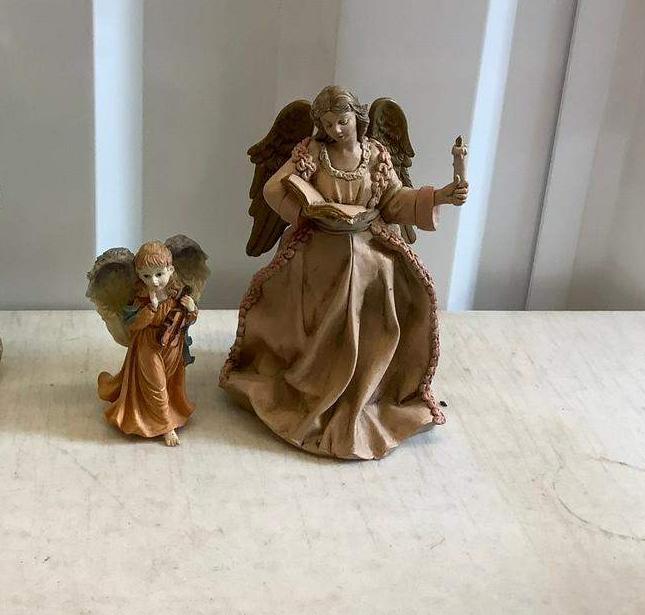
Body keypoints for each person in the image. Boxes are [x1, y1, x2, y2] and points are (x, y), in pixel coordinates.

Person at [220, 85, 468, 459]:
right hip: (320, 245)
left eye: (342, 121)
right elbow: (273, 189)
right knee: (314, 286)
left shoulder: (376, 155)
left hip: (368, 246)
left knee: (380, 280)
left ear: (357, 116)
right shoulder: (311, 152)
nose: (336, 130)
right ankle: (313, 383)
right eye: (328, 124)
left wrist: (441, 196)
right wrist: (305, 211)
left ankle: (368, 385)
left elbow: (394, 200)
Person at [97, 241, 198, 446]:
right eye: (146, 276)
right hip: (148, 344)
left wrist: (192, 309)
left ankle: (161, 413)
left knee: (168, 383)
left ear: (170, 270)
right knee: (156, 385)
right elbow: (134, 325)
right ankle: (166, 426)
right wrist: (151, 308)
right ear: (139, 275)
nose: (154, 281)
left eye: (159, 274)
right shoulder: (142, 297)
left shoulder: (177, 292)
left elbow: (185, 320)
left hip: (172, 345)